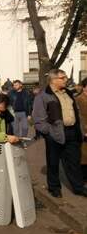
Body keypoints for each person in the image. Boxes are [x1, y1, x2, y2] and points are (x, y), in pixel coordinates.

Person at [33, 69, 87, 198]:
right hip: (55, 133)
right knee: (53, 162)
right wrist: (49, 132)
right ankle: (54, 188)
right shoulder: (43, 96)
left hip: (72, 132)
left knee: (74, 161)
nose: (66, 79)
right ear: (54, 80)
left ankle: (78, 187)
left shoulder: (68, 93)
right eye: (63, 77)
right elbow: (38, 119)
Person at [75, 78, 87, 179]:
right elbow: (78, 116)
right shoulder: (79, 99)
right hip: (84, 129)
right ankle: (83, 177)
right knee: (84, 154)